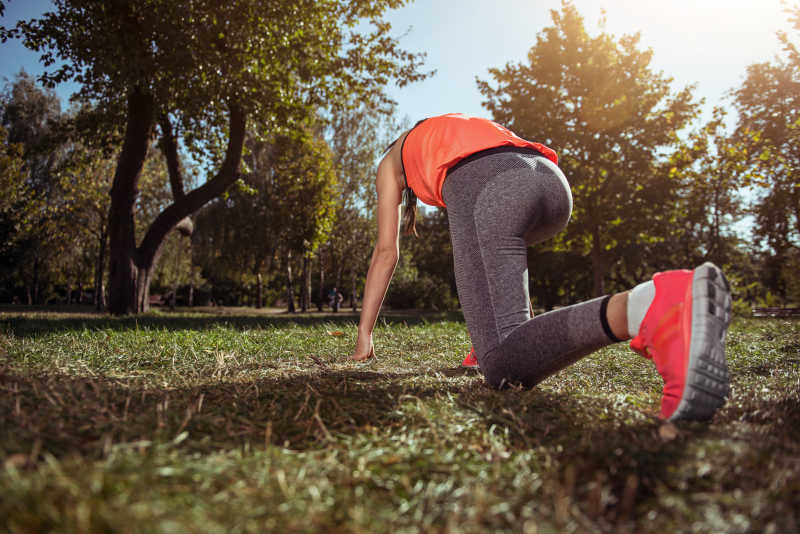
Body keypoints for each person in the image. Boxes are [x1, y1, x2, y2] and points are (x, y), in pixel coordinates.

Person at [350, 113, 731, 422]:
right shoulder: (450, 127)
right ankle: (674, 335)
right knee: (500, 340)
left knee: (501, 370)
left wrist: (364, 333)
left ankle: (648, 305)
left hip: (490, 187)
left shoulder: (392, 160)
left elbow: (386, 252)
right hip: (551, 185)